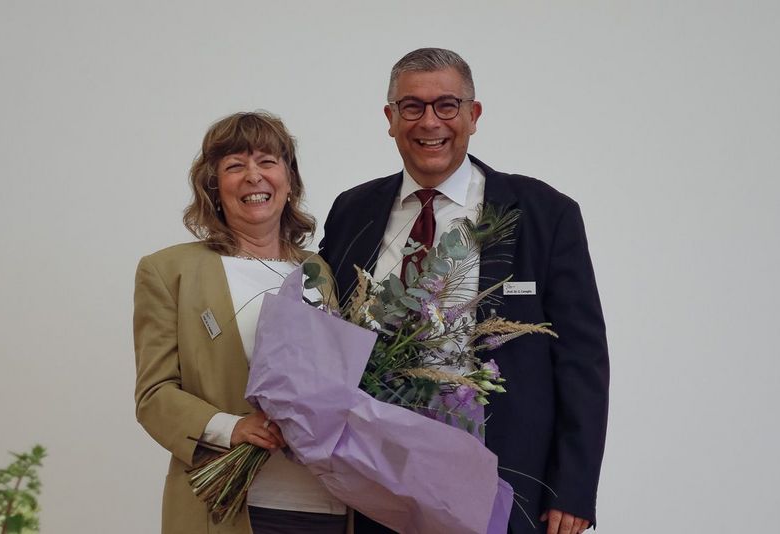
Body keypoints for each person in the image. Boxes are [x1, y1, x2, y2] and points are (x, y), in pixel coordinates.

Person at [319, 48, 609, 534]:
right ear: (390, 119)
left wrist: (573, 488)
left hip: (504, 477)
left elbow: (582, 359)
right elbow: (326, 336)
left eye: (446, 105)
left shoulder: (544, 213)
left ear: (473, 116)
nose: (429, 121)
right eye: (411, 106)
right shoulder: (353, 210)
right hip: (376, 479)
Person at [134, 111, 347, 534]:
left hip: (326, 506)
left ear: (289, 181)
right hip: (231, 507)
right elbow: (154, 396)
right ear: (214, 188)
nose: (254, 176)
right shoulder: (168, 270)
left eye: (267, 161)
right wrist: (234, 429)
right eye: (234, 166)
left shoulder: (318, 271)